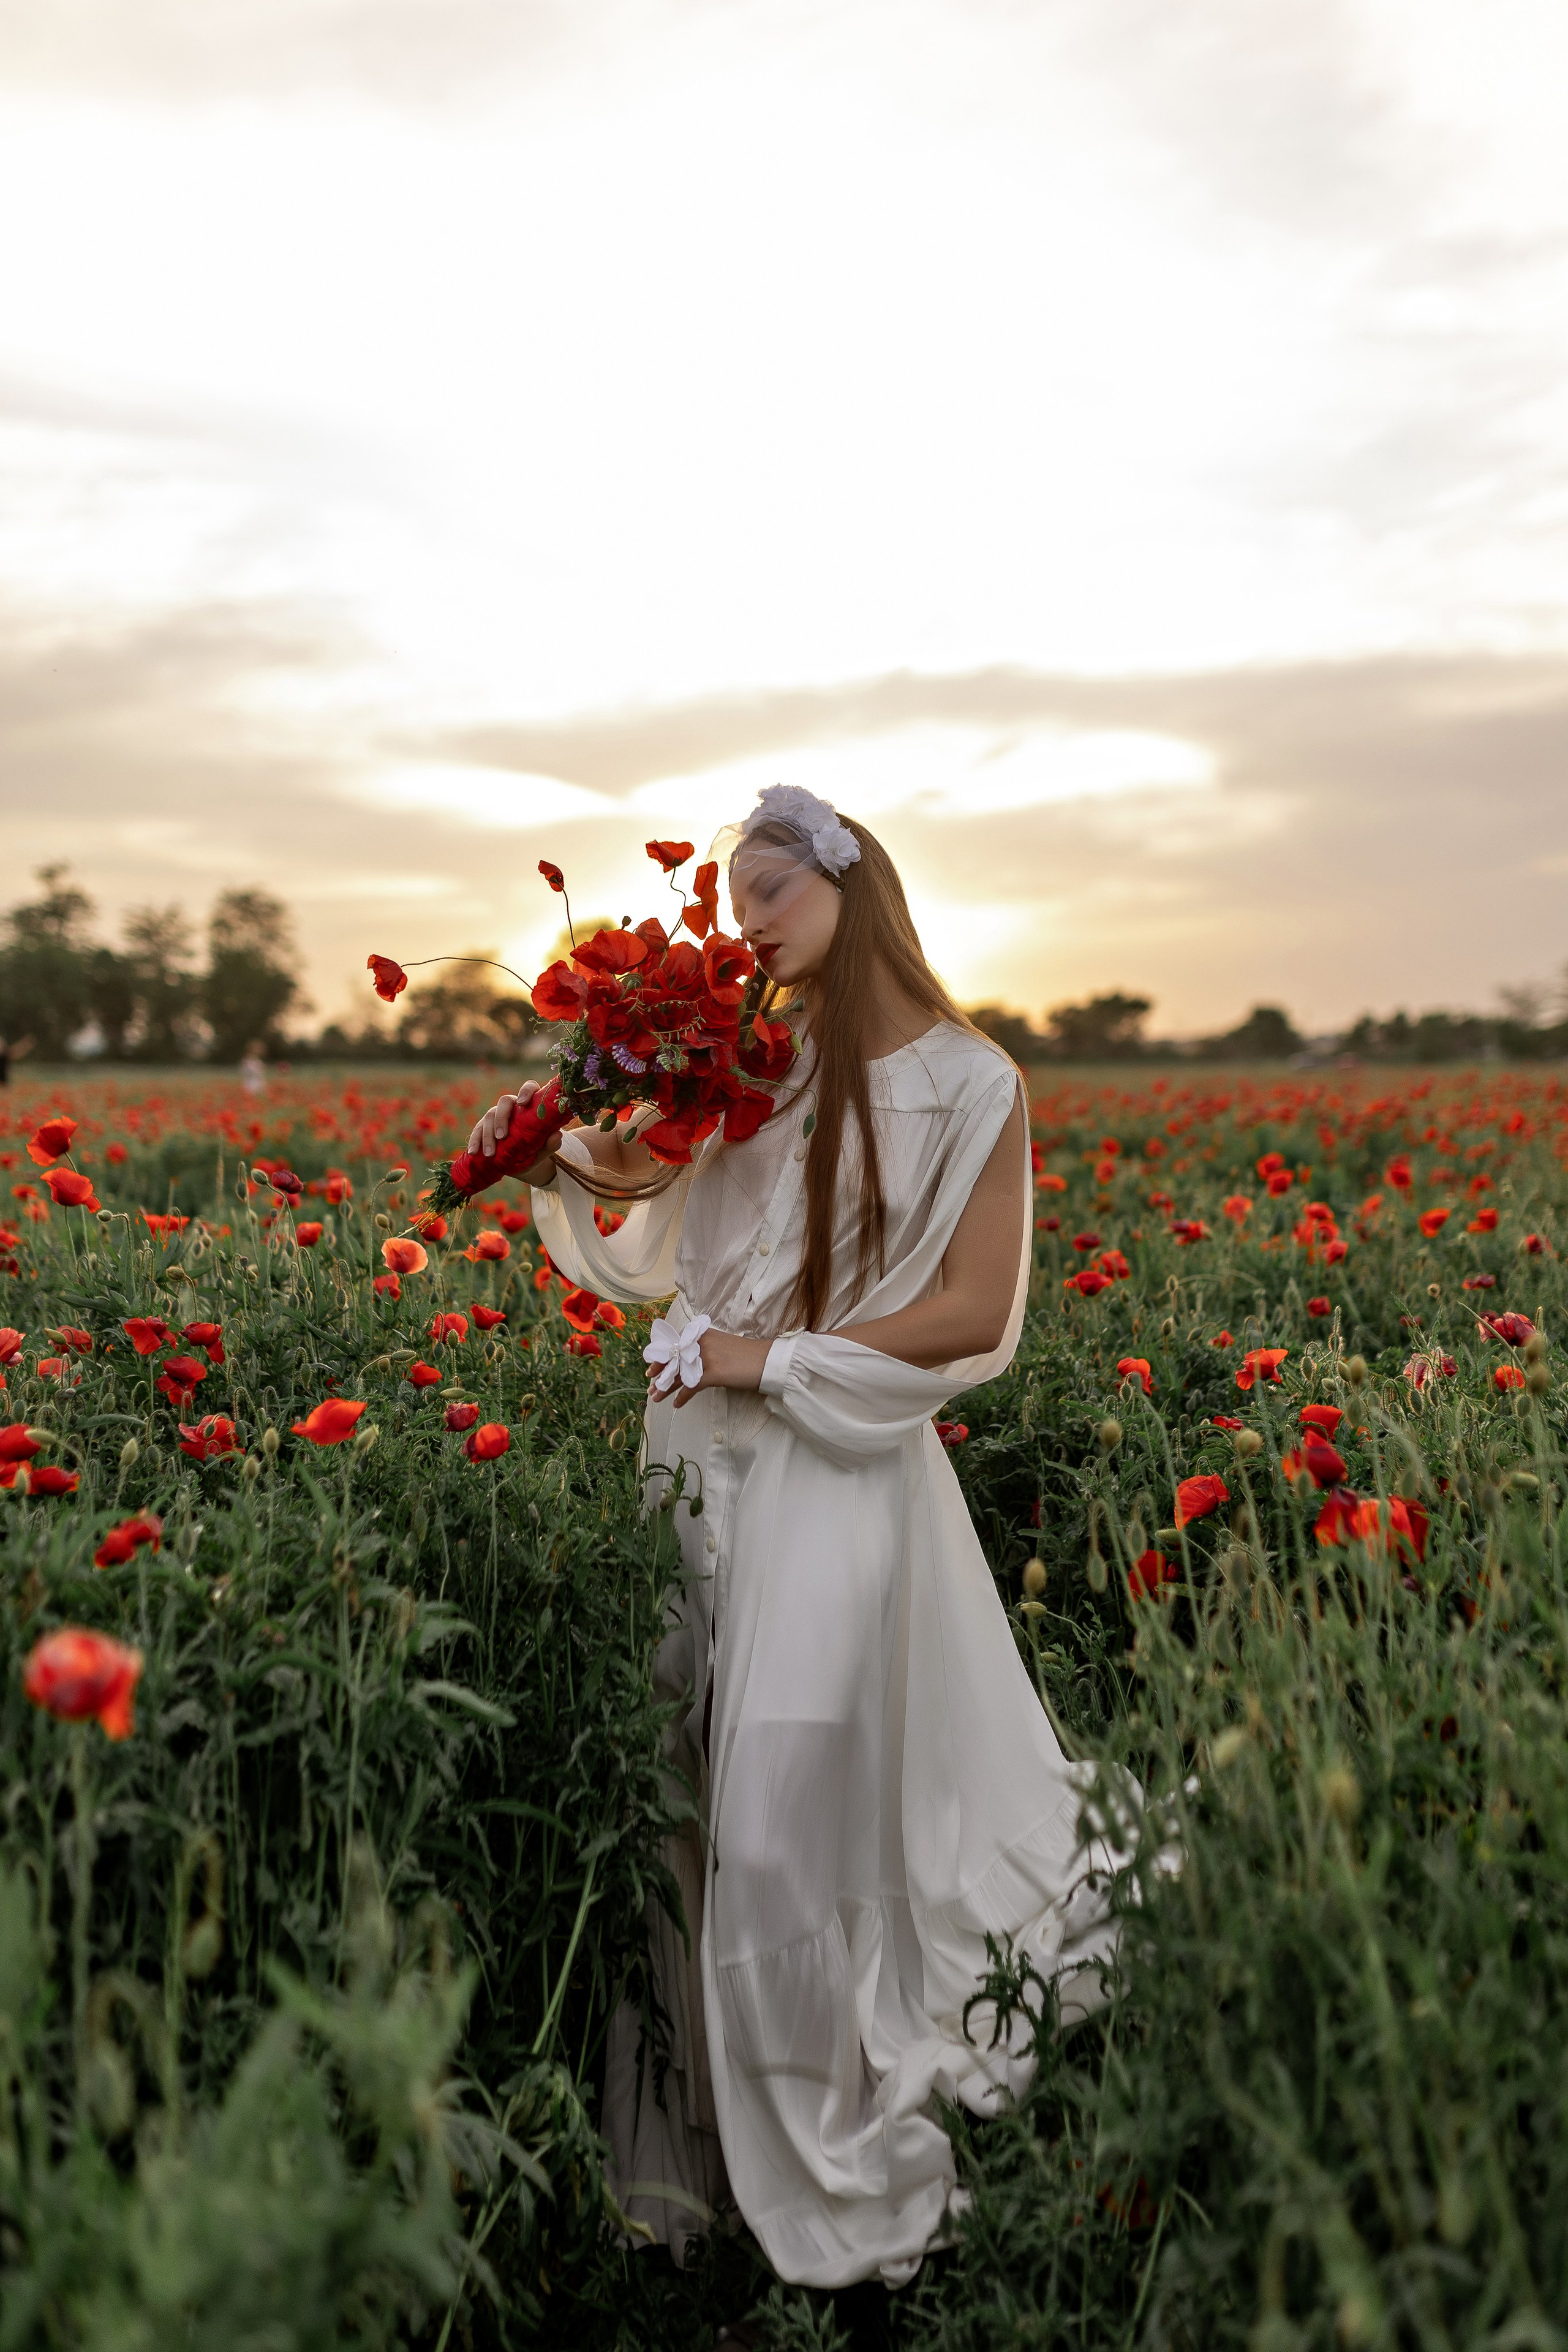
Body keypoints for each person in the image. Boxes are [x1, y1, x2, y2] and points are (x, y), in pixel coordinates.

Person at [467, 785, 1138, 2295]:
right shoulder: (752, 1067)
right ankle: (694, 2178)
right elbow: (650, 1202)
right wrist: (547, 1162)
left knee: (779, 1801)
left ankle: (828, 2147)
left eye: (769, 889)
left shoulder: (975, 1084)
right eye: (734, 893)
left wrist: (773, 1361)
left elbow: (971, 1312)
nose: (746, 918)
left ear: (851, 885)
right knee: (683, 1784)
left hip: (837, 1463)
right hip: (693, 1458)